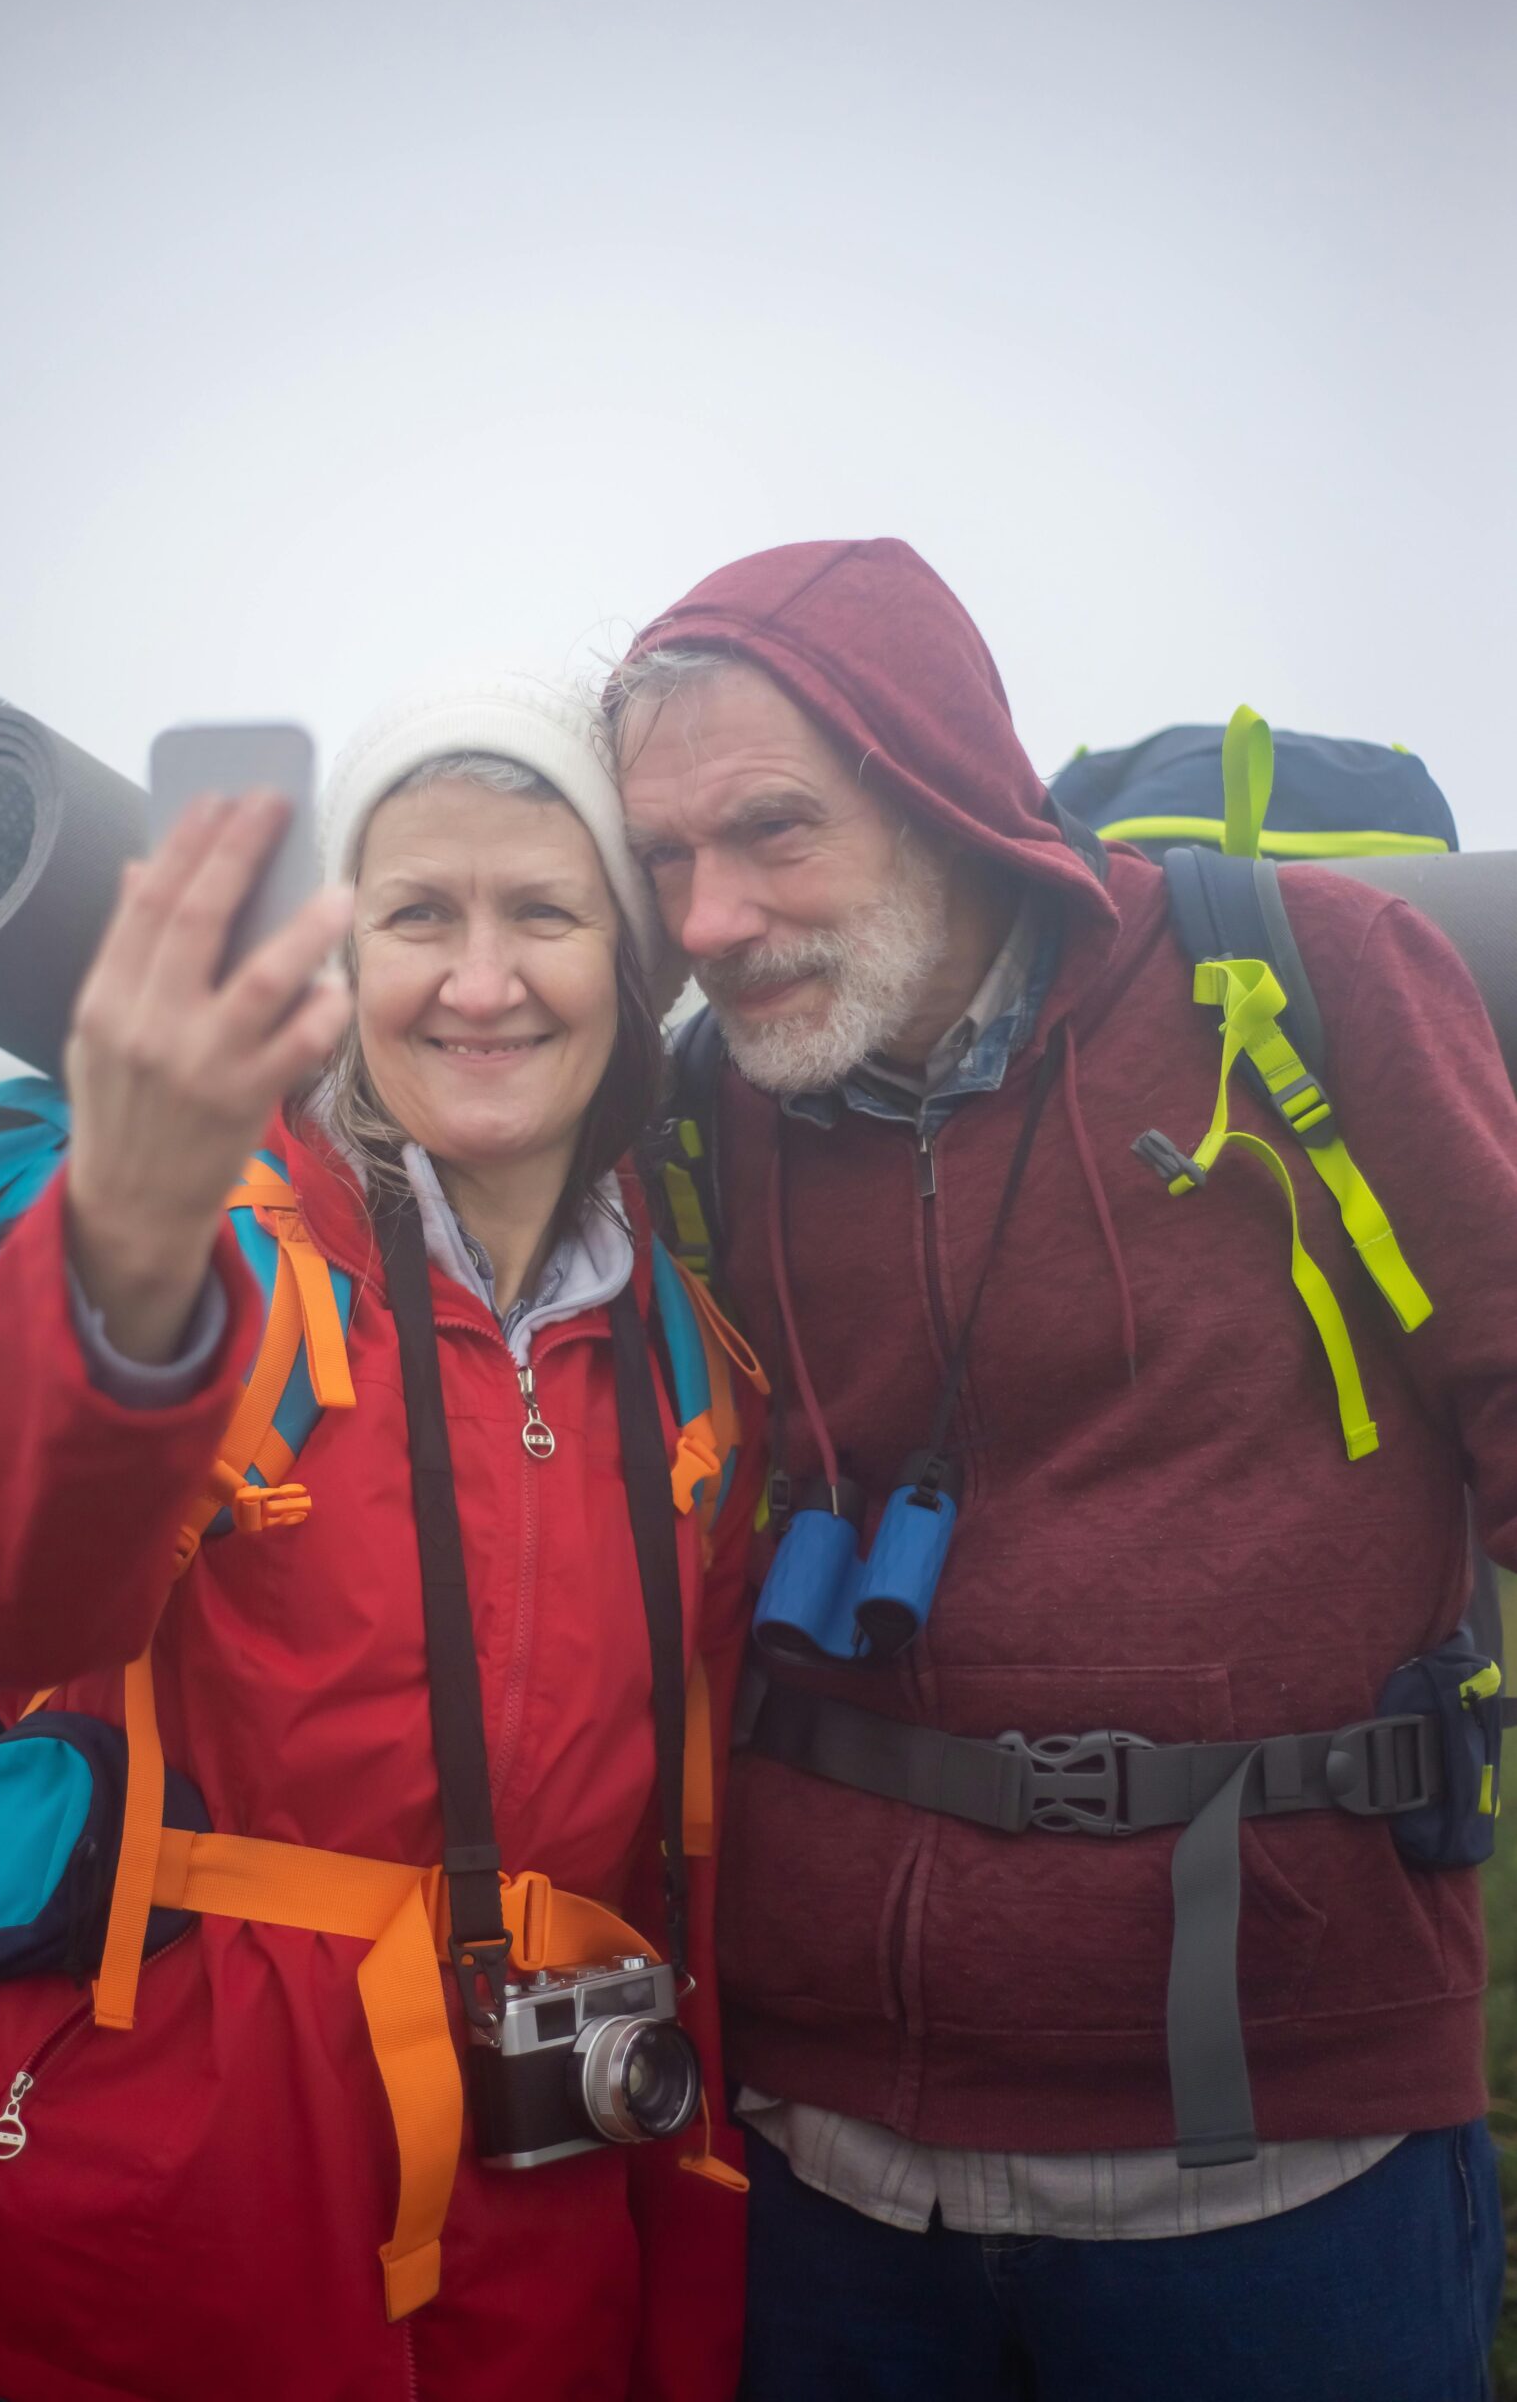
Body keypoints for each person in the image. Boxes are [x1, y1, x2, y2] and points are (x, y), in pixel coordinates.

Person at [608, 536, 1517, 2402]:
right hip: (822, 2163)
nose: (704, 920)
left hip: (1281, 2150)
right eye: (664, 859)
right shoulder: (707, 1112)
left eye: (772, 831)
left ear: (941, 790)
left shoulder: (1305, 979)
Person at [0, 683, 757, 2402]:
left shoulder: (687, 1364)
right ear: (340, 964)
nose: (480, 981)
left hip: (530, 2235)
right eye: (416, 916)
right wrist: (126, 1252)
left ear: (629, 974)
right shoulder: (219, 1260)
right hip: (148, 2224)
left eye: (543, 912)